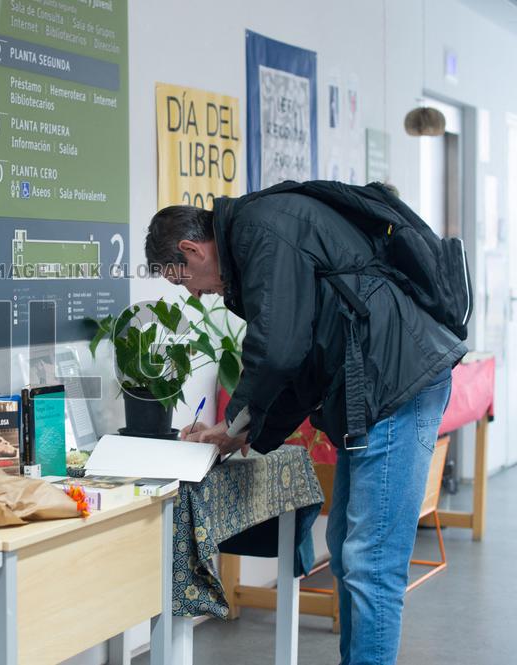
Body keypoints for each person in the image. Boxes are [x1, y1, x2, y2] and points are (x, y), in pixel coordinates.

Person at [146, 186, 465, 665]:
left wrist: (236, 421)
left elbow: (278, 349)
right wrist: (243, 433)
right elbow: (298, 363)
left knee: (370, 562)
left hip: (397, 383)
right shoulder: (258, 235)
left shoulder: (259, 231)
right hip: (375, 386)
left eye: (184, 281)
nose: (196, 293)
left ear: (191, 250)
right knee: (345, 548)